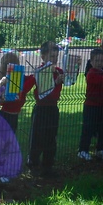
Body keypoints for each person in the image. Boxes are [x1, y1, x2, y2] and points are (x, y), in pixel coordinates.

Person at [27, 42, 64, 176]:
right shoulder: (40, 71)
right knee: (37, 137)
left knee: (51, 137)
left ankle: (48, 165)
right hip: (41, 108)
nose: (54, 59)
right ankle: (33, 163)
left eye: (56, 56)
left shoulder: (59, 71)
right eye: (51, 56)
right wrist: (55, 82)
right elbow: (42, 92)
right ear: (43, 56)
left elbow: (66, 83)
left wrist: (73, 68)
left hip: (53, 108)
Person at [77, 48, 103, 160]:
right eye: (97, 61)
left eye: (102, 61)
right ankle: (82, 150)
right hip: (91, 106)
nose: (100, 63)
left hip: (102, 106)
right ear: (91, 61)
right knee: (88, 129)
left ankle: (100, 149)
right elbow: (101, 80)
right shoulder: (91, 73)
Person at [0, 51, 34, 133]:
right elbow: (24, 89)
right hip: (6, 115)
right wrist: (34, 78)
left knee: (11, 138)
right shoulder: (4, 79)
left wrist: (34, 76)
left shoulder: (19, 77)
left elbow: (27, 79)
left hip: (15, 114)